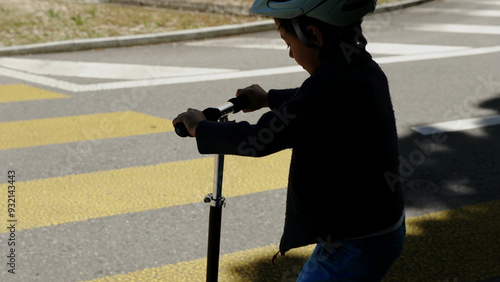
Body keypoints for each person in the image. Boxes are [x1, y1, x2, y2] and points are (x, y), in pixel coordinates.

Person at [172, 0, 406, 280]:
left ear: (314, 36)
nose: (291, 55)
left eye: (288, 43)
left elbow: (260, 139)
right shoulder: (358, 69)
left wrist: (201, 128)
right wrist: (269, 98)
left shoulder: (331, 85)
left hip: (355, 239)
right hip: (370, 226)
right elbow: (312, 105)